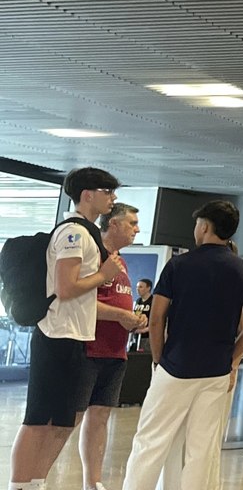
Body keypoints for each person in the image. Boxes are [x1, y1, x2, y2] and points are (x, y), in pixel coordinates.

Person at [121, 201, 243, 490]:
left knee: (151, 441)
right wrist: (233, 358)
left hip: (175, 366)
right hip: (216, 370)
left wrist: (159, 359)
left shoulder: (179, 265)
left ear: (205, 227)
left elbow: (157, 317)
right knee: (202, 448)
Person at [9, 167, 125, 490]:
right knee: (37, 421)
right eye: (107, 191)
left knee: (58, 421)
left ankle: (34, 481)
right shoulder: (73, 233)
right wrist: (103, 276)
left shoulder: (85, 232)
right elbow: (64, 287)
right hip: (55, 336)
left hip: (74, 336)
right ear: (88, 194)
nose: (112, 198)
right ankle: (19, 484)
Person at [75, 203, 145, 490]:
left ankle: (93, 482)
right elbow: (80, 301)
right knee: (71, 418)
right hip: (89, 349)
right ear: (113, 224)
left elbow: (117, 301)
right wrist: (122, 316)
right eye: (131, 223)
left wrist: (133, 320)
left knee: (100, 416)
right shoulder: (94, 255)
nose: (136, 229)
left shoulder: (121, 261)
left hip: (116, 351)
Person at [131, 279, 153, 353]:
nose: (137, 289)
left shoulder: (153, 301)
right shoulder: (138, 301)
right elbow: (136, 315)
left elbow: (158, 320)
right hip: (137, 336)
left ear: (148, 288)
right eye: (137, 287)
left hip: (148, 337)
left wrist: (146, 329)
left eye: (140, 287)